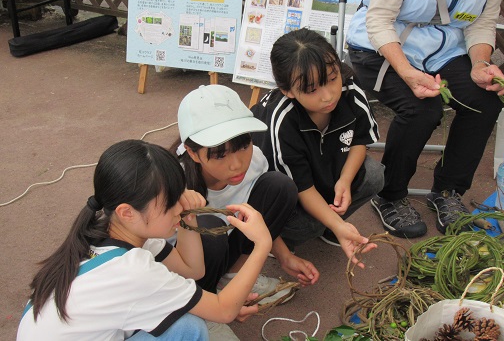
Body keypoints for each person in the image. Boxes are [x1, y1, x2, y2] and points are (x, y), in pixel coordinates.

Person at [17, 139, 272, 340]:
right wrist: (262, 245)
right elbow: (224, 310)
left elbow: (192, 270)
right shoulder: (133, 270)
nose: (178, 207)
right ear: (127, 212)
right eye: (170, 202)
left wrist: (187, 218)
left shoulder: (107, 231)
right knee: (189, 329)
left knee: (183, 319)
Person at [346, 0, 504, 238]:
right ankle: (390, 194)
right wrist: (407, 72)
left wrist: (481, 64)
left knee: (485, 99)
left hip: (443, 49)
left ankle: (448, 191)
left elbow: (482, 21)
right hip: (380, 47)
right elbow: (379, 20)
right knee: (422, 108)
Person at [171, 85, 320, 340]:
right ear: (193, 152)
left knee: (279, 186)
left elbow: (258, 218)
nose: (237, 163)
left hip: (226, 249)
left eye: (243, 145)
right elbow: (160, 263)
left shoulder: (255, 160)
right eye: (219, 155)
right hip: (185, 274)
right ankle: (202, 312)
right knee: (205, 227)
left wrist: (284, 257)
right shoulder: (175, 185)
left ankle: (233, 277)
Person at [251, 28, 382, 261]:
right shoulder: (283, 120)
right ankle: (280, 241)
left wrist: (345, 180)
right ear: (287, 90)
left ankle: (333, 227)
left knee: (373, 174)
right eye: (311, 89)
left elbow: (360, 139)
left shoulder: (350, 90)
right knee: (304, 226)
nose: (328, 95)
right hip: (283, 186)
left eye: (332, 78)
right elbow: (299, 185)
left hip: (322, 165)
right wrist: (335, 222)